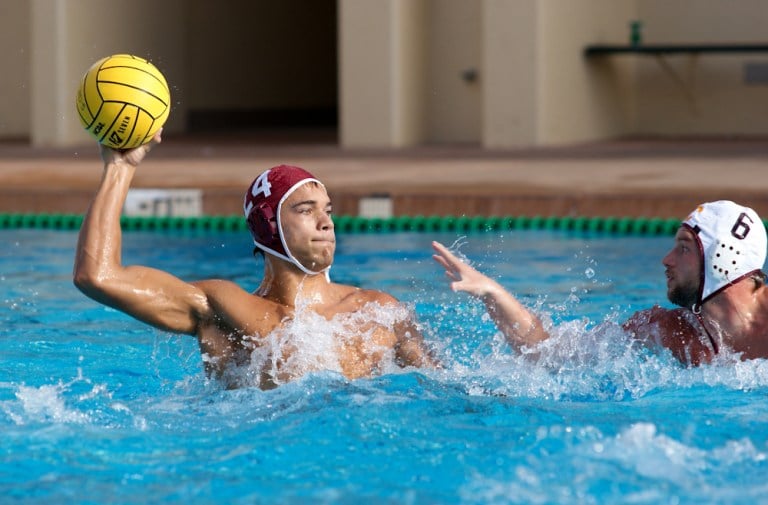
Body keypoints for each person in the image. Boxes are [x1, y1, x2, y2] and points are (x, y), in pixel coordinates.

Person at [73, 133, 436, 389]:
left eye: (327, 210)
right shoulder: (225, 309)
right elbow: (98, 276)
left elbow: (451, 393)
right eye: (305, 211)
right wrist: (120, 168)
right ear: (268, 224)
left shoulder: (378, 311)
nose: (326, 222)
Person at [432, 200, 768, 365]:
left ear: (723, 259)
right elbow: (551, 354)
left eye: (683, 248)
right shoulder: (667, 331)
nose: (666, 260)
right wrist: (493, 292)